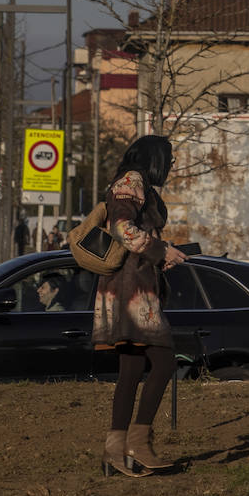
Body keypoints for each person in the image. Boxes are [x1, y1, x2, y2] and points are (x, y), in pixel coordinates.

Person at [93, 134, 187, 478]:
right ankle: (139, 442)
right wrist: (160, 251)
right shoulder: (132, 182)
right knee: (164, 362)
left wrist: (163, 256)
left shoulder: (137, 184)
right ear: (154, 158)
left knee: (131, 370)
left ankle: (114, 451)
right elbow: (121, 227)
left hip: (130, 284)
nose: (172, 163)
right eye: (169, 156)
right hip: (132, 291)